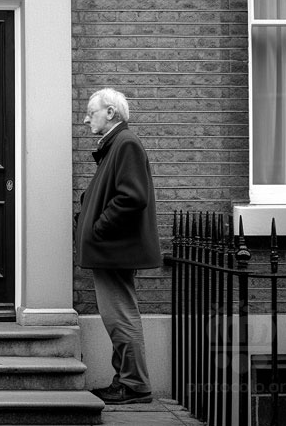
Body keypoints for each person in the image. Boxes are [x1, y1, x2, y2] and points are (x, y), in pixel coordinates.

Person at [75, 88, 162, 405]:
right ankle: (125, 380)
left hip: (113, 249)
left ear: (110, 112)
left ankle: (135, 385)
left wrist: (98, 226)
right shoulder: (116, 146)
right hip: (110, 249)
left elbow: (132, 197)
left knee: (120, 316)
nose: (86, 119)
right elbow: (115, 194)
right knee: (117, 316)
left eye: (91, 112)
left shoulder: (125, 144)